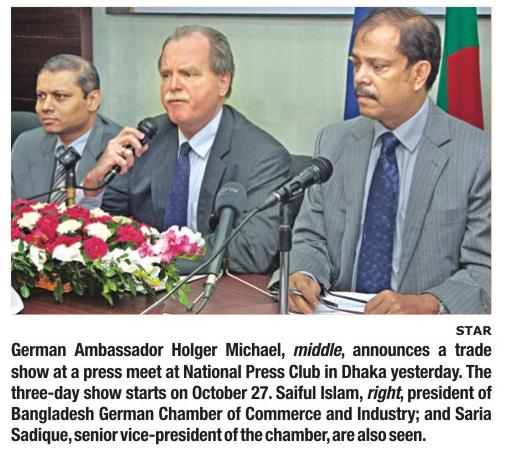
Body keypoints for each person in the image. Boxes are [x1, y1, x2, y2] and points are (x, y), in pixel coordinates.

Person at [286, 8, 490, 314]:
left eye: (378, 66)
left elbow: (486, 269)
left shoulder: (478, 155)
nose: (360, 78)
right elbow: (310, 237)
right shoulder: (334, 141)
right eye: (356, 63)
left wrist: (427, 304)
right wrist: (304, 273)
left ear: (418, 74)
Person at [82, 26, 291, 274]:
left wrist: (154, 256)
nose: (173, 86)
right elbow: (104, 227)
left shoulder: (262, 156)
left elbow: (249, 250)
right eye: (165, 75)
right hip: (144, 288)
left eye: (188, 74)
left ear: (223, 82)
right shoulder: (147, 138)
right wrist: (93, 185)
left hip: (219, 292)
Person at [11, 54, 121, 203]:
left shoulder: (122, 151)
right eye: (41, 96)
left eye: (60, 96)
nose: (45, 107)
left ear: (92, 100)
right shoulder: (25, 144)